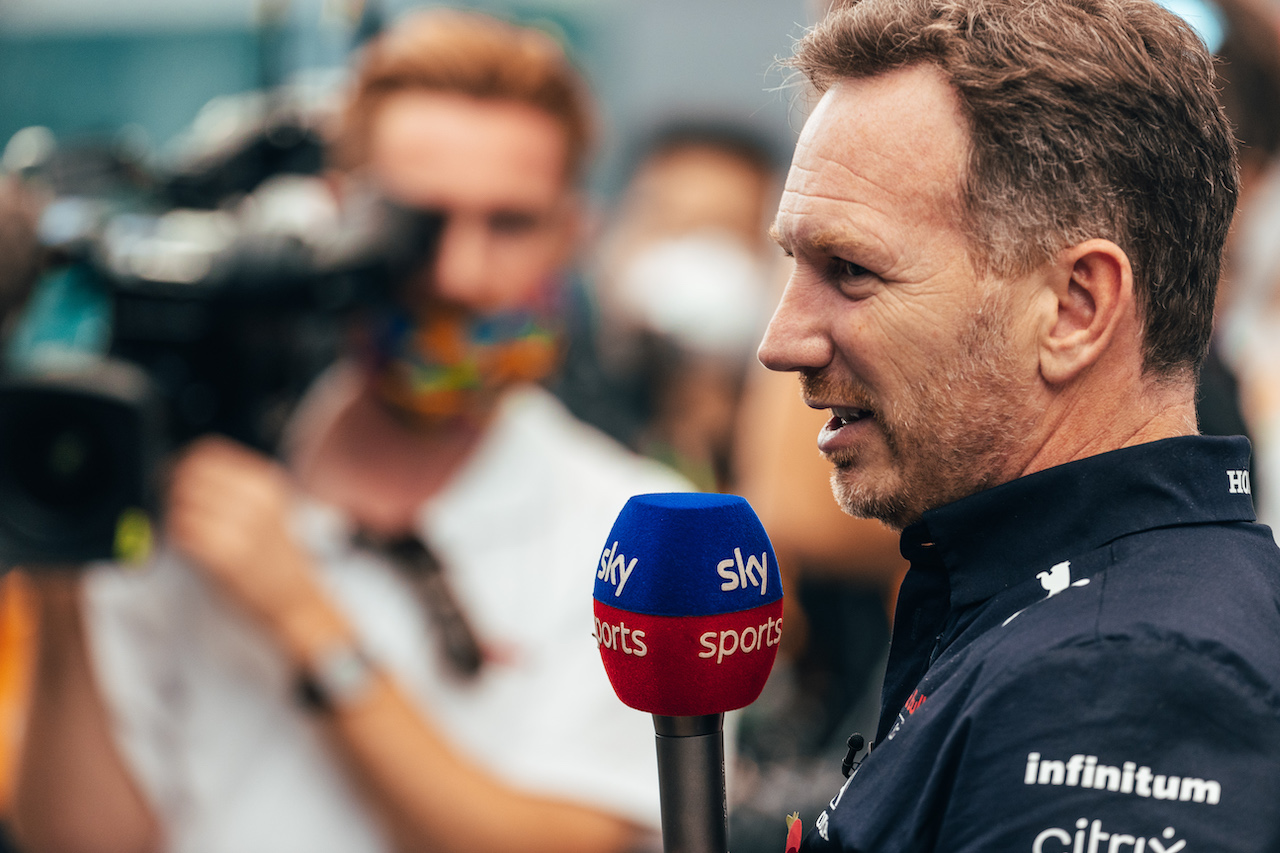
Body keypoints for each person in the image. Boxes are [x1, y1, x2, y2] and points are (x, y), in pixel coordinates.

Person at [11, 10, 688, 853]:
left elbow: (579, 841)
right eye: (417, 224)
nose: (458, 274)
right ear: (337, 210)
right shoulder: (189, 480)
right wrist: (61, 582)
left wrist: (304, 616)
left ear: (572, 233)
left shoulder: (642, 529)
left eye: (509, 223)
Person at [756, 0, 1280, 850]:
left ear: (1076, 307)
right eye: (793, 264)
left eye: (849, 270)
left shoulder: (1120, 682)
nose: (781, 342)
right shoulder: (1048, 612)